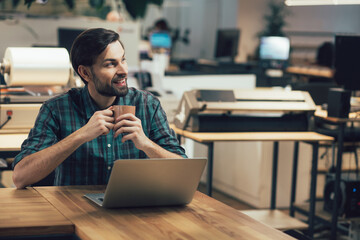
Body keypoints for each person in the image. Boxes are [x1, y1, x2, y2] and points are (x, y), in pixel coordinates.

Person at [12, 28, 187, 189]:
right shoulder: (56, 109)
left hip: (135, 212)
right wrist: (81, 135)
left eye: (123, 60)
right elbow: (21, 177)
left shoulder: (148, 105)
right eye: (110, 64)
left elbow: (183, 172)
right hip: (74, 211)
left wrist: (146, 144)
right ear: (85, 73)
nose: (123, 70)